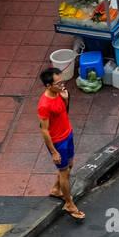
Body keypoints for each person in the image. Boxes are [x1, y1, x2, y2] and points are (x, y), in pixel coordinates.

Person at [38, 68, 84, 220]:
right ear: (48, 86)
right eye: (58, 84)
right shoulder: (44, 105)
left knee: (69, 165)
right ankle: (69, 203)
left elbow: (63, 113)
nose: (62, 85)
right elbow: (44, 130)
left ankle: (56, 190)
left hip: (68, 134)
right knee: (64, 172)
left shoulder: (60, 93)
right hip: (58, 142)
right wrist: (54, 152)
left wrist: (65, 99)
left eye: (62, 82)